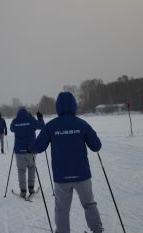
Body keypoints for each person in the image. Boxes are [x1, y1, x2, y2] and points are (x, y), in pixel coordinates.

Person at [30, 92, 104, 233]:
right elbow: (96, 146)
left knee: (62, 209)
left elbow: (38, 147)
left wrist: (30, 145)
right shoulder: (82, 124)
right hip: (82, 176)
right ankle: (97, 230)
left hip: (61, 177)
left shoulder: (51, 126)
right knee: (89, 204)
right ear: (74, 106)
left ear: (58, 107)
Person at [10, 107, 44, 198]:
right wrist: (40, 118)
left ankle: (23, 191)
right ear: (27, 113)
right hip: (31, 150)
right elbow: (42, 126)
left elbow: (11, 128)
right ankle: (31, 189)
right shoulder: (31, 120)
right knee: (32, 168)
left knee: (21, 170)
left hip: (19, 151)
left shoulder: (15, 121)